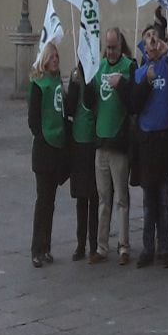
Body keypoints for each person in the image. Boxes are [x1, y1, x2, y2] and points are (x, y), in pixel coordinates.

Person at [130, 25, 168, 268]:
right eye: (147, 40)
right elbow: (135, 104)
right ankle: (147, 248)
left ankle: (164, 250)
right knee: (148, 201)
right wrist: (147, 83)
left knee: (164, 200)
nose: (151, 44)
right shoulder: (140, 73)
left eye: (155, 39)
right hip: (146, 141)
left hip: (164, 140)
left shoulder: (167, 66)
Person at [84, 27, 135, 265]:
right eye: (108, 47)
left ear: (120, 46)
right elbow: (89, 100)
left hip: (119, 141)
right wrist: (83, 81)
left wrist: (121, 86)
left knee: (121, 198)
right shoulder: (99, 68)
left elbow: (133, 102)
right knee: (103, 198)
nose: (111, 51)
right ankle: (102, 246)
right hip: (101, 141)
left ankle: (124, 245)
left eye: (114, 47)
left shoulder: (128, 67)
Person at [27, 42, 69, 267]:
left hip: (57, 148)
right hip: (44, 150)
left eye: (57, 56)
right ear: (44, 60)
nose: (55, 59)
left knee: (51, 202)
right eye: (52, 56)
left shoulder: (58, 83)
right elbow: (33, 120)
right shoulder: (39, 84)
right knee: (43, 201)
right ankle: (36, 248)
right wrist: (44, 137)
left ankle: (47, 246)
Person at [65, 64, 98, 261]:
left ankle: (94, 242)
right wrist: (74, 88)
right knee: (81, 197)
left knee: (94, 196)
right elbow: (70, 109)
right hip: (78, 141)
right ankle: (80, 242)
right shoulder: (75, 75)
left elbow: (91, 102)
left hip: (93, 140)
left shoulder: (95, 76)